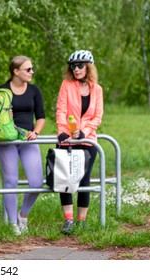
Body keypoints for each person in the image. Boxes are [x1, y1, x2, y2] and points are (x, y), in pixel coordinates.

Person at [0, 55, 46, 235]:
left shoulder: (34, 90)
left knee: (36, 182)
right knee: (10, 182)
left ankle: (22, 215)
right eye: (28, 69)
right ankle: (12, 224)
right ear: (16, 71)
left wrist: (36, 132)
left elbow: (40, 117)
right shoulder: (2, 91)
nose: (32, 72)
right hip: (8, 141)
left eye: (32, 69)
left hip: (28, 140)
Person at [55, 50, 104, 234]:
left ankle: (81, 221)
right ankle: (68, 220)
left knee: (84, 180)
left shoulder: (97, 90)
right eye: (73, 66)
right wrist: (62, 130)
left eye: (80, 65)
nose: (76, 69)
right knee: (64, 178)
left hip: (87, 140)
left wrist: (84, 131)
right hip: (67, 139)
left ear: (88, 67)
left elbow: (97, 116)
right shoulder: (66, 85)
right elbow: (61, 109)